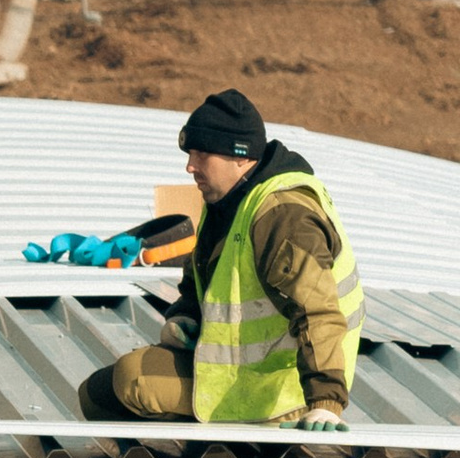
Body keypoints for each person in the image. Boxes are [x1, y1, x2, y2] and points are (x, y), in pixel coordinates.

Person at [77, 89, 360, 430]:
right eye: (189, 154)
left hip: (281, 391)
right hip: (243, 373)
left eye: (202, 154)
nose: (190, 166)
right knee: (97, 391)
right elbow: (200, 286)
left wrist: (326, 403)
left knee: (130, 380)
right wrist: (182, 318)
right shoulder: (228, 202)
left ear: (241, 157)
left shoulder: (282, 216)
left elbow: (318, 312)